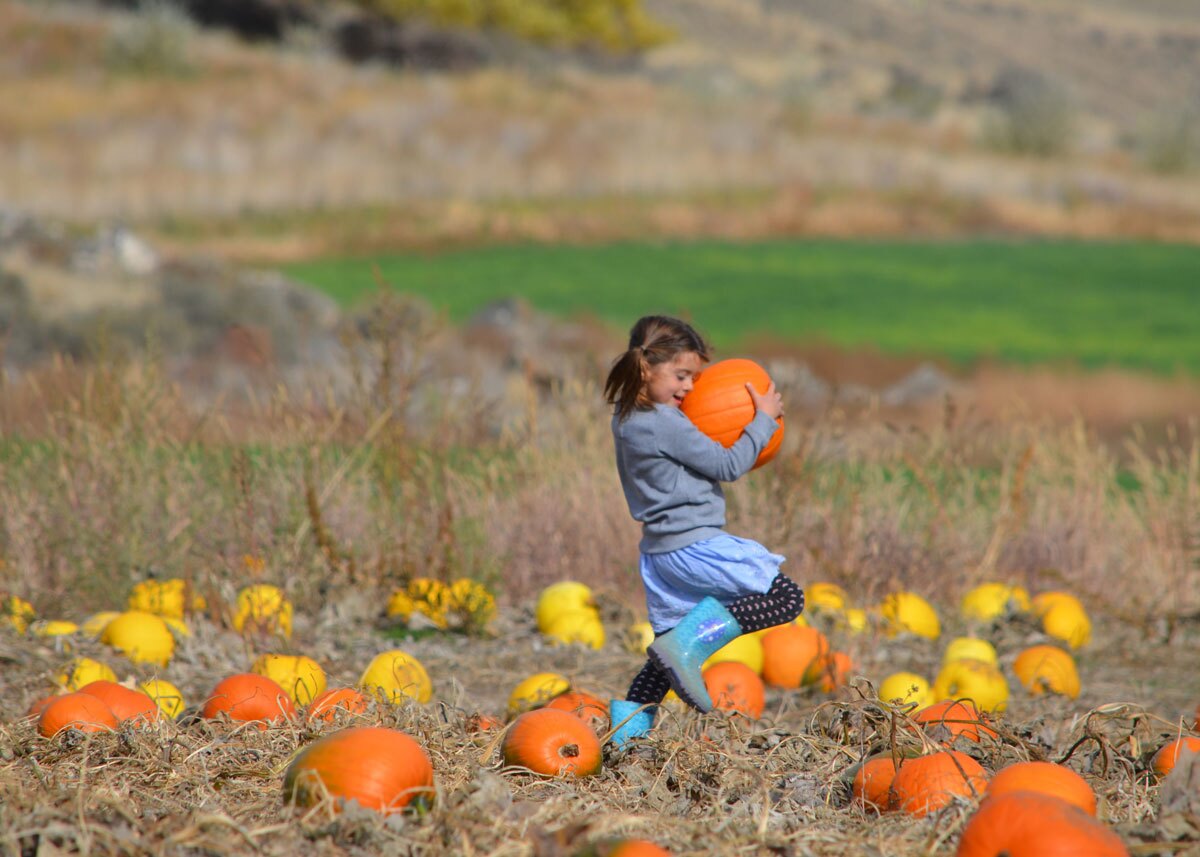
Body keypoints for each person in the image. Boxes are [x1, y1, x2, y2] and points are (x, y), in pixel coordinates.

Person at [603, 315, 805, 749]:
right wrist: (763, 421)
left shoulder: (625, 417)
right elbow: (729, 465)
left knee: (661, 663)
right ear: (645, 369)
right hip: (694, 544)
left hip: (660, 553)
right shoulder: (664, 422)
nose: (690, 388)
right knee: (787, 598)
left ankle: (626, 733)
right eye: (681, 376)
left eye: (694, 377)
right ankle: (692, 644)